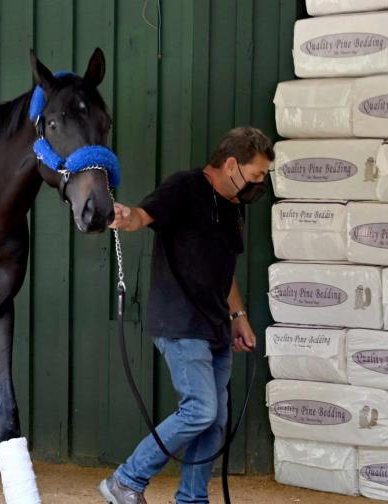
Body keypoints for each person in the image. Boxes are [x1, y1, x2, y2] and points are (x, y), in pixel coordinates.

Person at [98, 127, 274, 504]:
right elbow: (142, 216)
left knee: (215, 422)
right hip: (180, 322)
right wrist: (124, 215)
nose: (260, 184)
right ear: (231, 165)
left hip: (216, 326)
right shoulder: (184, 188)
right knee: (200, 409)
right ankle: (126, 480)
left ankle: (192, 500)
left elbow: (224, 270)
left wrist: (238, 315)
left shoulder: (232, 207)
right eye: (257, 175)